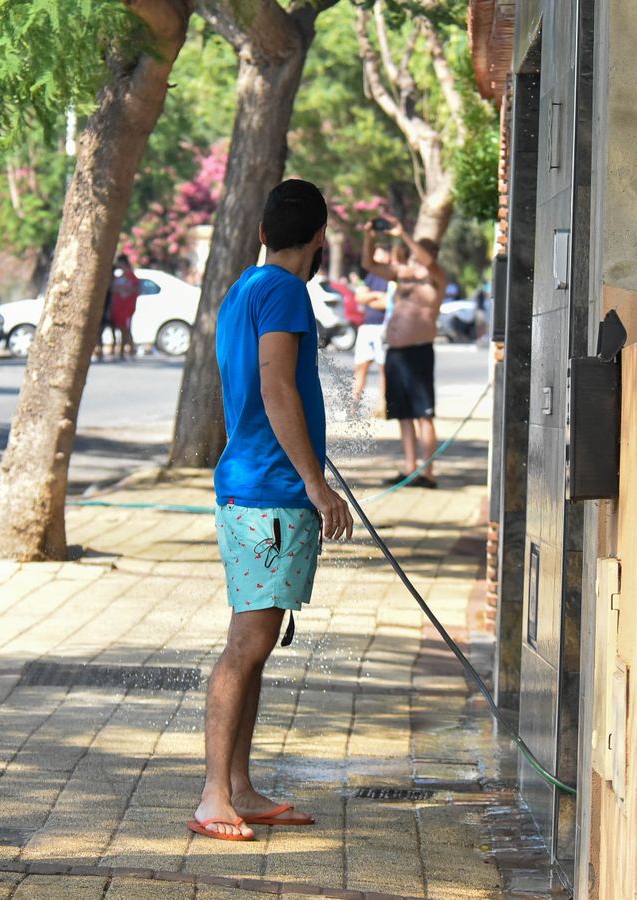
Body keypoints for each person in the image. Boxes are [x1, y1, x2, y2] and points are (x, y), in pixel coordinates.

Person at [192, 179, 353, 842]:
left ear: (262, 233)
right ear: (320, 238)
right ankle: (212, 796)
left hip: (257, 487)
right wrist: (316, 483)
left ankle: (239, 788)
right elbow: (276, 386)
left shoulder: (244, 288)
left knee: (255, 645)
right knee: (247, 643)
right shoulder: (286, 291)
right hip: (269, 493)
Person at [364, 215, 448, 488]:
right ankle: (411, 469)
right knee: (403, 415)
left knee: (424, 415)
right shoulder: (402, 276)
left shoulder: (436, 278)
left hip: (419, 352)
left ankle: (428, 473)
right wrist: (369, 237)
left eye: (416, 256)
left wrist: (403, 234)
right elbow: (368, 264)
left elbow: (429, 263)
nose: (412, 261)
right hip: (396, 353)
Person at [351, 242, 394, 404]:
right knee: (360, 367)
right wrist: (376, 295)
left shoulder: (392, 276)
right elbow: (359, 297)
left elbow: (389, 302)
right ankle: (353, 406)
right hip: (367, 327)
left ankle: (384, 406)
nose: (376, 256)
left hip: (384, 327)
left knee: (385, 369)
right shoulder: (371, 275)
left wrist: (370, 298)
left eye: (380, 253)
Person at [108, 255, 141, 360]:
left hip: (127, 308)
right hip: (118, 307)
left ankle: (126, 351)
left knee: (125, 329)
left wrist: (124, 291)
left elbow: (135, 289)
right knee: (120, 329)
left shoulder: (131, 277)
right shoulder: (119, 277)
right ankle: (125, 350)